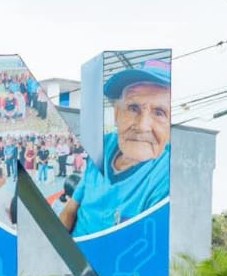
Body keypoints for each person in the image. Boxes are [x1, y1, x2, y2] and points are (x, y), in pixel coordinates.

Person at [60, 59, 171, 237]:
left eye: (159, 112)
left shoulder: (167, 175)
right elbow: (71, 208)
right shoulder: (102, 146)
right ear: (117, 113)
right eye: (133, 108)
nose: (142, 126)